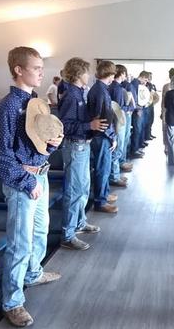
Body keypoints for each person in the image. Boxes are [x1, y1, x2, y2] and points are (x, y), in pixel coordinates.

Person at [0, 46, 63, 327]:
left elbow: (38, 141)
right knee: (20, 242)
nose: (41, 72)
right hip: (23, 179)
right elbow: (2, 155)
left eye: (41, 67)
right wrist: (26, 181)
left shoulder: (37, 102)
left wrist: (51, 145)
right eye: (35, 68)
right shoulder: (9, 106)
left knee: (40, 231)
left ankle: (33, 273)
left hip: (40, 175)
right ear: (18, 70)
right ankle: (12, 301)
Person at [58, 57, 107, 251]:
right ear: (79, 74)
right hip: (74, 146)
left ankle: (79, 222)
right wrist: (90, 125)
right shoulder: (71, 96)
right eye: (86, 72)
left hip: (83, 145)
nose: (89, 76)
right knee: (74, 191)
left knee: (83, 188)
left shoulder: (79, 93)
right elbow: (65, 126)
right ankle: (67, 235)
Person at [86, 60, 121, 210]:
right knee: (102, 168)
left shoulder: (99, 88)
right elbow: (103, 117)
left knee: (104, 168)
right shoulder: (100, 91)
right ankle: (100, 201)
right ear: (109, 73)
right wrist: (112, 137)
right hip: (102, 136)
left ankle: (104, 194)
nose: (114, 77)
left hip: (100, 135)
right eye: (113, 74)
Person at [108, 64, 134, 188]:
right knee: (117, 149)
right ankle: (114, 176)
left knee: (116, 148)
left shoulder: (111, 87)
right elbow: (118, 107)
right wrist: (130, 107)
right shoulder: (117, 88)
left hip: (113, 121)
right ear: (122, 74)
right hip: (118, 121)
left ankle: (116, 174)